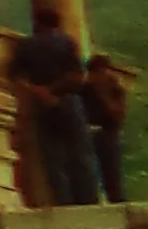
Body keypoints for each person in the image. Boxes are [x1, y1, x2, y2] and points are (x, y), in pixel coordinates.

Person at [7, 19, 102, 207]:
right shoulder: (66, 41)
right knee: (80, 153)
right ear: (57, 24)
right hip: (67, 99)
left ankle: (63, 201)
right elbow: (77, 76)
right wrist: (53, 90)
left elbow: (17, 78)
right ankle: (87, 200)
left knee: (52, 158)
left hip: (41, 105)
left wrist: (40, 91)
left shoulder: (27, 46)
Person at [87, 49, 139, 204]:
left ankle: (116, 200)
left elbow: (118, 115)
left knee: (112, 173)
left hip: (107, 133)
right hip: (87, 134)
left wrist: (104, 95)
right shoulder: (85, 89)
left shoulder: (115, 90)